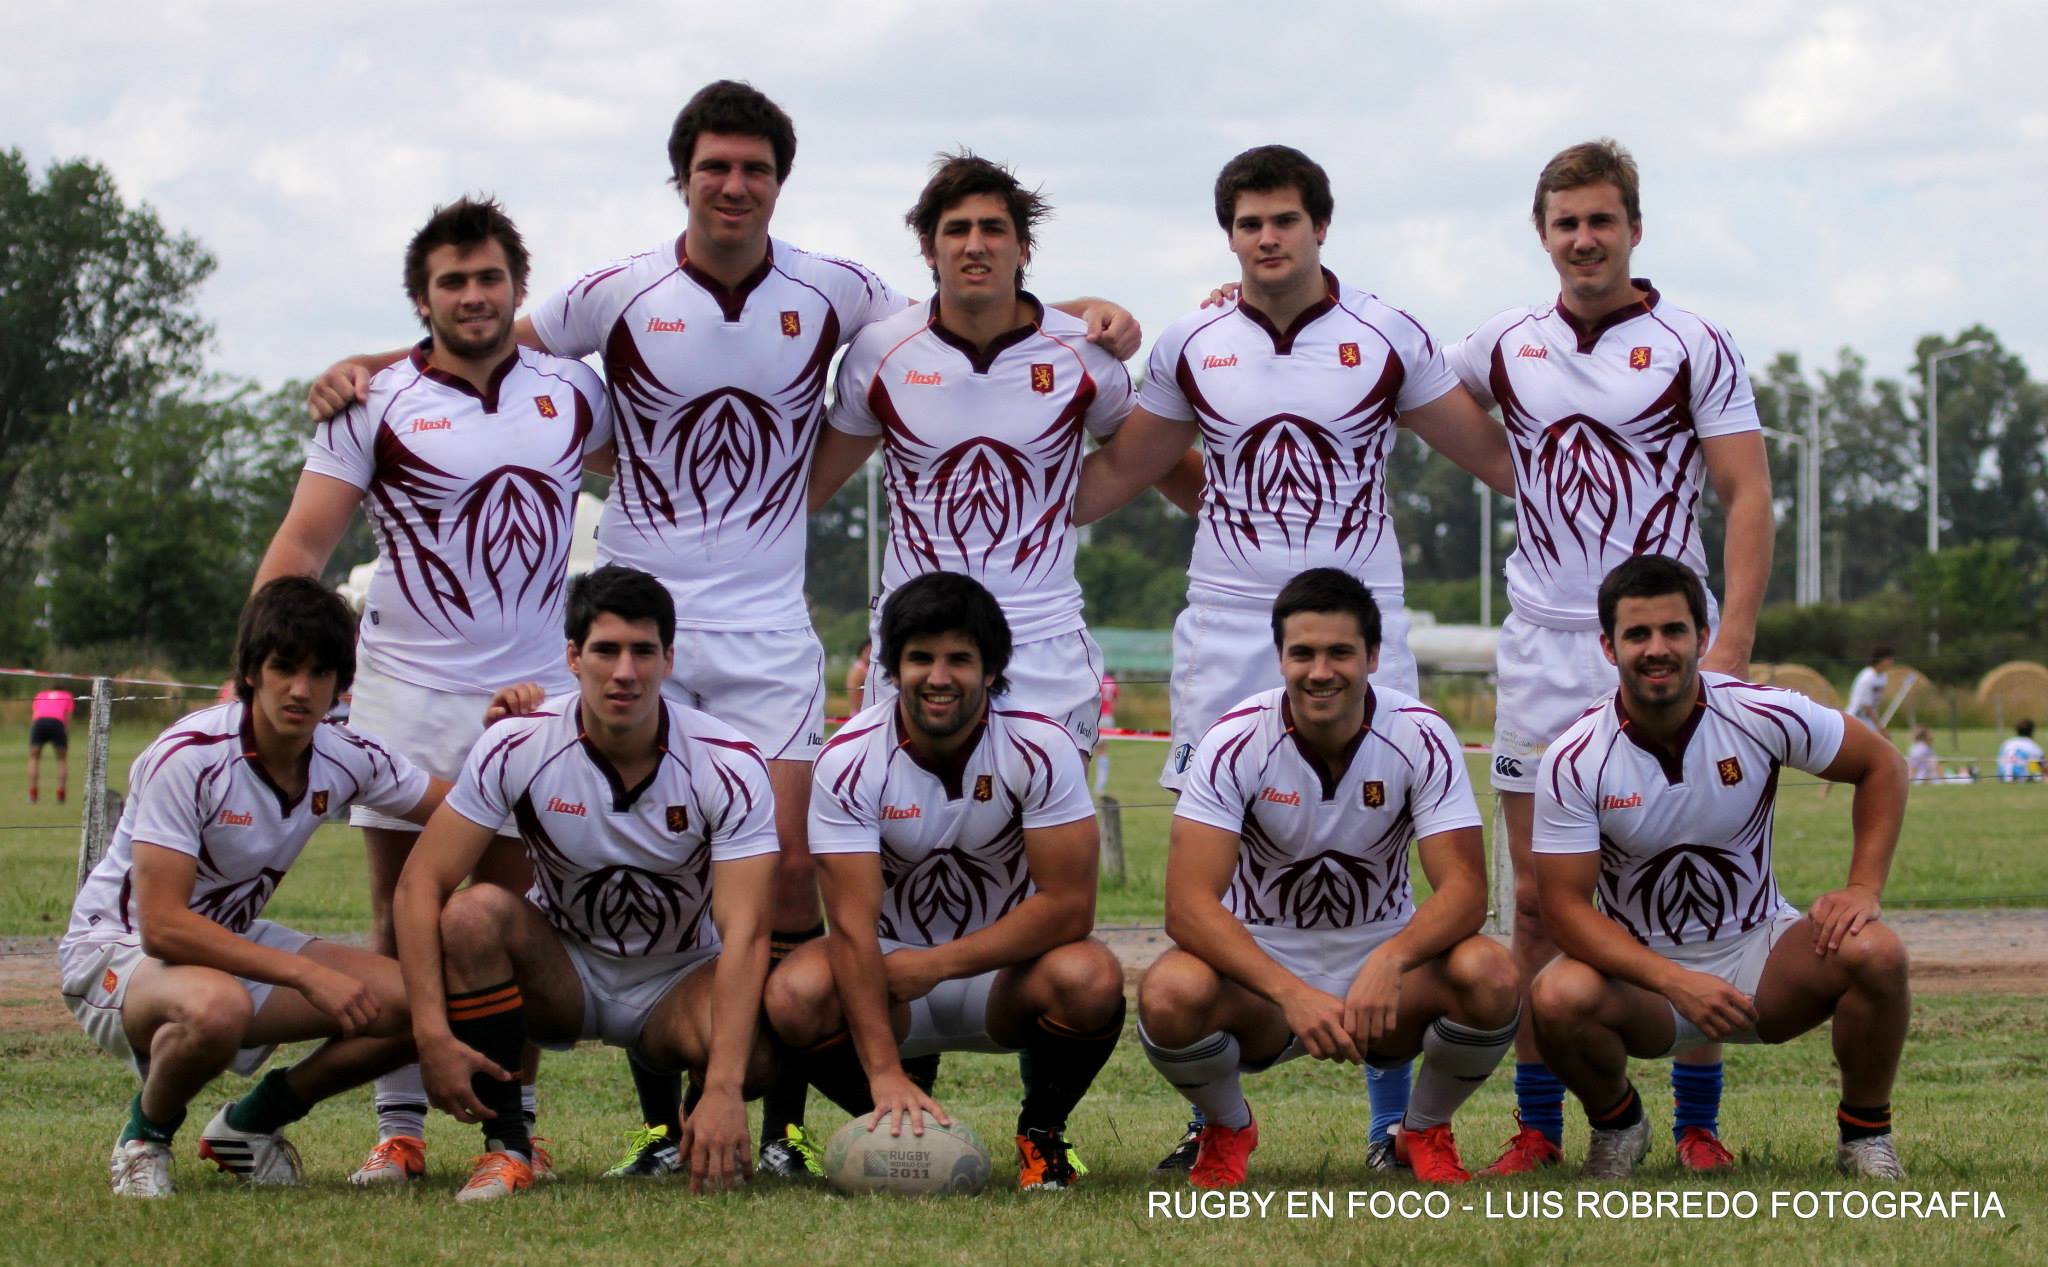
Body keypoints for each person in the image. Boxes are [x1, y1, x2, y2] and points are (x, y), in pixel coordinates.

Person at [307, 86, 1138, 1177]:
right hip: (642, 624)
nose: (733, 185)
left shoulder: (838, 291)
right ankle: (658, 1127)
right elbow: (475, 335)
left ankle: (776, 1128)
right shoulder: (617, 292)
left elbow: (960, 294)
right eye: (714, 167)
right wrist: (367, 364)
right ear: (682, 177)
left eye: (753, 168)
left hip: (766, 630)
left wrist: (1077, 306)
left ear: (777, 182)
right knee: (645, 866)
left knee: (785, 880)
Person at [1070, 143, 1514, 1169]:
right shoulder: (1191, 340)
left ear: (1320, 226)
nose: (1266, 238)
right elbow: (1113, 474)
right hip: (1226, 623)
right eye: (1247, 223)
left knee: (1391, 845)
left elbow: (1493, 455)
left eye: (1283, 220)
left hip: (1362, 621)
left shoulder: (1385, 336)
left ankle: (1390, 1126)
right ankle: (1217, 1111)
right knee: (1214, 863)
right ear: (1228, 236)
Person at [256, 195, 609, 1183]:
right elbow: (304, 542)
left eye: (488, 276)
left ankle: (516, 1127)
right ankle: (399, 1127)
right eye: (450, 281)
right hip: (402, 693)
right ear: (422, 297)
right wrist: (259, 663)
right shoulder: (370, 401)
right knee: (395, 910)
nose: (472, 295)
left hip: (535, 694)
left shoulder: (576, 391)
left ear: (517, 287)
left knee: (511, 909)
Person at [1441, 138, 1775, 1175]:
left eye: (1599, 219)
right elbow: (1403, 390)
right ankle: (1544, 1121)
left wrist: (1728, 646)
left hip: (1664, 647)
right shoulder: (1501, 342)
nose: (1581, 239)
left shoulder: (1692, 342)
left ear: (1633, 227)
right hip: (1541, 650)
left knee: (1688, 876)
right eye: (1563, 222)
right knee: (1538, 901)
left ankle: (1699, 1119)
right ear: (1540, 235)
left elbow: (1746, 495)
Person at [391, 565, 781, 1203]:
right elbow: (419, 886)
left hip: (679, 978)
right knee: (471, 915)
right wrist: (431, 1035)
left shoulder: (728, 761)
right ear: (573, 657)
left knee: (760, 1051)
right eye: (605, 650)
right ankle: (509, 1150)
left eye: (643, 651)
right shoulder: (516, 744)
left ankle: (692, 1116)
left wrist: (724, 1087)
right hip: (562, 970)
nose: (624, 671)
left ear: (669, 659)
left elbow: (747, 934)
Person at [59, 578, 446, 1198]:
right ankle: (144, 1137)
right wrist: (304, 974)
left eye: (320, 672)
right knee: (219, 1008)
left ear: (341, 684)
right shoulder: (188, 755)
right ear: (249, 671)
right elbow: (162, 926)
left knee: (418, 1002)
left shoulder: (344, 754)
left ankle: (249, 1125)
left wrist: (509, 743)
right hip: (119, 951)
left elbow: (463, 811)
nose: (300, 689)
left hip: (226, 944)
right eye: (283, 667)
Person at [1529, 555, 1910, 1180]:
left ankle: (1865, 1137)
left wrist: (1864, 887)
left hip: (1761, 955)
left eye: (1674, 631)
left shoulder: (1760, 713)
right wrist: (1675, 982)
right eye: (1638, 634)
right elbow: (1567, 914)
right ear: (1608, 646)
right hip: (1646, 982)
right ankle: (1620, 1126)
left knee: (1878, 953)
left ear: (1702, 637)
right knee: (1555, 994)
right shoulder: (1575, 757)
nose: (1658, 649)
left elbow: (1883, 766)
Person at [1136, 568, 1517, 1187]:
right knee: (1168, 992)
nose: (1320, 671)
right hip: (1263, 969)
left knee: (1491, 974)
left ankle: (1422, 1128)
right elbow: (1187, 907)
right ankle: (1229, 1126)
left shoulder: (1420, 733)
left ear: (1372, 656)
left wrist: (1391, 960)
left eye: (1340, 652)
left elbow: (1466, 891)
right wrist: (1290, 991)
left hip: (1380, 960)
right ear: (1280, 657)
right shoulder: (1233, 740)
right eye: (1303, 653)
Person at [765, 572, 1124, 1190]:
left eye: (960, 659)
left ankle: (1041, 1136)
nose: (938, 676)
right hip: (886, 978)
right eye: (920, 658)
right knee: (795, 993)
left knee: (1091, 976)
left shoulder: (1041, 746)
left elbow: (1068, 909)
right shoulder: (849, 759)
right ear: (892, 668)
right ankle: (899, 1120)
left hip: (1002, 978)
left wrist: (937, 964)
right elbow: (850, 928)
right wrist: (882, 1069)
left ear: (991, 670)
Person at [810, 151, 1144, 753]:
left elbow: (1143, 455)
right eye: (956, 229)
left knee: (1050, 840)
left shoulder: (1084, 352)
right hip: (917, 641)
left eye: (994, 229)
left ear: (1023, 248)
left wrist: (1069, 505)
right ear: (928, 247)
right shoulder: (881, 351)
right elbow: (809, 486)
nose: (975, 245)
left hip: (1042, 641)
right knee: (901, 835)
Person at [27, 686, 74, 805]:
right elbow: (67, 718)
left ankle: (33, 795)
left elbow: (35, 715)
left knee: (34, 758)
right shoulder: (67, 695)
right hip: (57, 723)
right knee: (61, 759)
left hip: (40, 723)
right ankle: (61, 796)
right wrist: (66, 733)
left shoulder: (41, 694)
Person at [1846, 647, 1895, 730]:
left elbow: (1875, 702)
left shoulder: (1883, 677)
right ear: (1882, 660)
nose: (1892, 662)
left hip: (1869, 721)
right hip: (1857, 718)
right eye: (1890, 659)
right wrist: (1880, 727)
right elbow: (1866, 706)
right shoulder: (1867, 678)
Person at [1093, 669, 1121, 794]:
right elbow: (1115, 699)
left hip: (1096, 717)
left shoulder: (1095, 679)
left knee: (1087, 751)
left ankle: (1091, 784)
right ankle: (1100, 785)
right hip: (1108, 717)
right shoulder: (1111, 681)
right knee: (1103, 752)